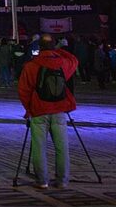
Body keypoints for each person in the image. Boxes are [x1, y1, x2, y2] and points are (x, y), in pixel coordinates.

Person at [17, 34, 78, 189]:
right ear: (53, 46)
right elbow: (74, 60)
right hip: (59, 110)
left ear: (40, 47)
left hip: (39, 110)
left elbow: (23, 90)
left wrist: (28, 109)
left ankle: (42, 180)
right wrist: (60, 50)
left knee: (39, 147)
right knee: (62, 147)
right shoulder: (62, 63)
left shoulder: (31, 65)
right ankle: (62, 180)